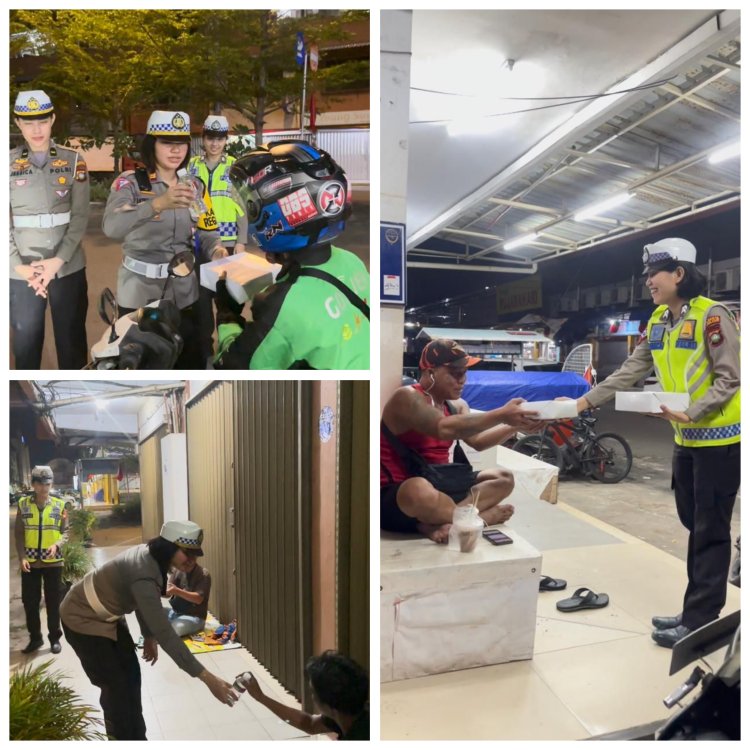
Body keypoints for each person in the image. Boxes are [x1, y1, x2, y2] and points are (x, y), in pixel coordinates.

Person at [572, 238, 740, 649]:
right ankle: (697, 607)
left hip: (720, 440)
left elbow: (730, 377)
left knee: (709, 531)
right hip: (685, 439)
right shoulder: (661, 320)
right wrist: (582, 402)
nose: (648, 282)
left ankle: (700, 619)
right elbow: (631, 369)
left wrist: (693, 411)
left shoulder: (713, 317)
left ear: (679, 273)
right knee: (693, 523)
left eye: (653, 274)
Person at [60, 520, 237, 740]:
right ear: (169, 546)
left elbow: (144, 602)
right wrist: (209, 679)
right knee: (116, 688)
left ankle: (138, 738)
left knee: (132, 678)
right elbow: (166, 633)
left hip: (110, 616)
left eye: (195, 554)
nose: (192, 560)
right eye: (186, 553)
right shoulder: (143, 570)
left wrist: (149, 636)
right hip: (81, 617)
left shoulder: (155, 558)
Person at [214, 140, 369, 369]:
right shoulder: (351, 261)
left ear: (278, 213)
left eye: (251, 206)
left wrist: (227, 316)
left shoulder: (281, 307)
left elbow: (233, 365)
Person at [381, 339, 543, 543]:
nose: (462, 380)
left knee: (503, 478)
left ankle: (442, 522)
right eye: (455, 373)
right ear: (431, 372)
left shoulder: (455, 405)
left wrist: (516, 426)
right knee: (418, 489)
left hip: (440, 485)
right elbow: (443, 428)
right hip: (400, 497)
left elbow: (478, 442)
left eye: (464, 372)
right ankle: (479, 519)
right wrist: (502, 414)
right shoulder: (407, 397)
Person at [102, 110, 228, 369]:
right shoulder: (131, 184)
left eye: (181, 143)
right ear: (152, 144)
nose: (176, 150)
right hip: (139, 294)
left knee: (190, 361)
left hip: (184, 294)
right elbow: (112, 227)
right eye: (166, 142)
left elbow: (205, 229)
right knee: (145, 365)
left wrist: (216, 250)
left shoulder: (195, 186)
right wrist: (156, 204)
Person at [10, 89, 90, 369]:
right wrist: (18, 266)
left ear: (53, 119)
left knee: (72, 347)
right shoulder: (6, 164)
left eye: (42, 121)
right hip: (23, 272)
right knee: (26, 348)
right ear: (18, 123)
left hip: (67, 267)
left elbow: (80, 217)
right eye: (29, 122)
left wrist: (57, 261)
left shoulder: (72, 161)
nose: (37, 129)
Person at [188, 114, 247, 361]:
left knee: (229, 307)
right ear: (203, 138)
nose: (214, 144)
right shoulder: (192, 166)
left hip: (229, 247)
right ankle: (205, 355)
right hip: (199, 247)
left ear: (226, 140)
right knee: (201, 308)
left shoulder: (235, 167)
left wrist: (242, 242)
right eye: (210, 138)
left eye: (219, 139)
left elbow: (242, 206)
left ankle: (230, 356)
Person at [241, 650, 369, 740]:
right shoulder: (348, 712)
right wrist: (261, 697)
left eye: (313, 693)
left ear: (329, 706)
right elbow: (309, 724)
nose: (312, 697)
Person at [14, 465, 68, 655]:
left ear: (51, 484)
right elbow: (19, 534)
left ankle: (55, 638)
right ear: (33, 485)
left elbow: (66, 532)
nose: (44, 488)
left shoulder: (60, 505)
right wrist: (21, 557)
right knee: (30, 601)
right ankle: (35, 638)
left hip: (53, 562)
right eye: (40, 484)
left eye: (47, 483)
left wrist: (57, 544)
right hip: (29, 561)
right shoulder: (23, 504)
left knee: (53, 601)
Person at [163, 550, 211, 637]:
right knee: (151, 612)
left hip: (194, 617)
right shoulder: (177, 570)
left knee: (177, 627)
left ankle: (163, 631)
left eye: (191, 558)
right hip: (174, 613)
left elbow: (198, 599)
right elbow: (168, 593)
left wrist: (177, 591)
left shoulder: (203, 574)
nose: (189, 561)